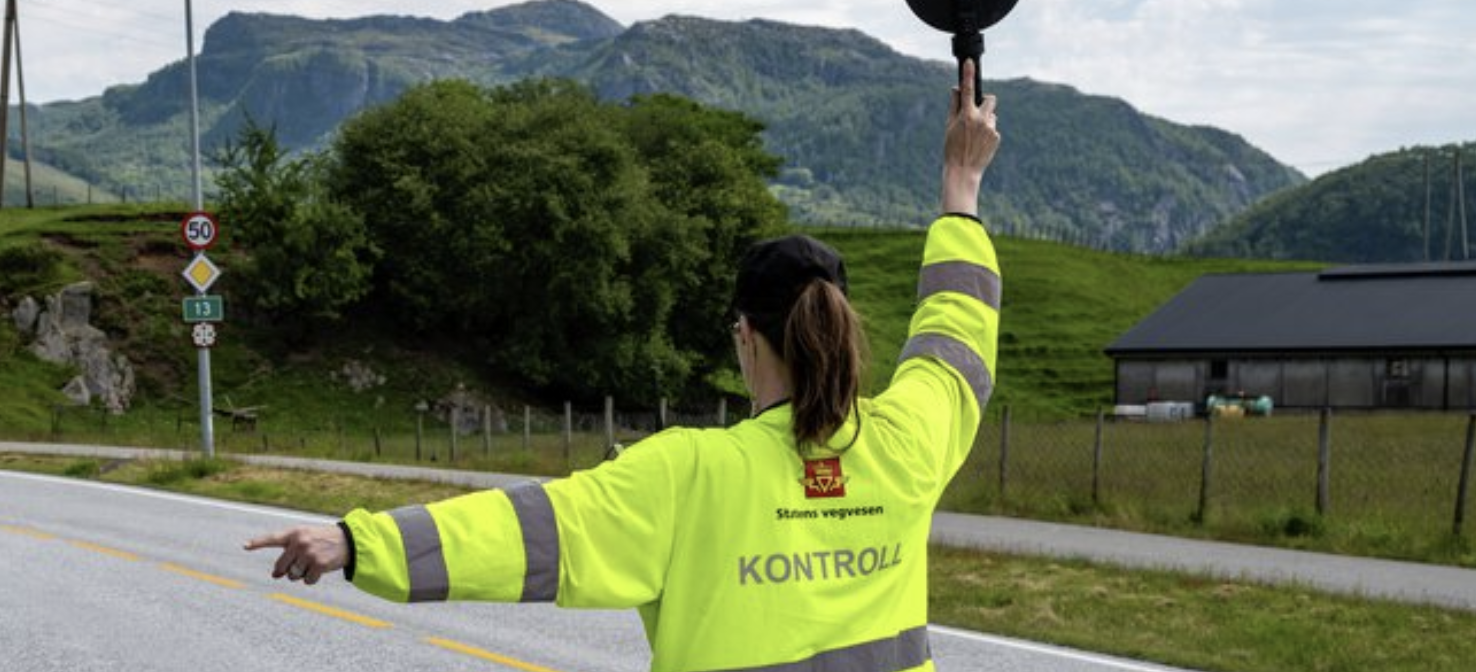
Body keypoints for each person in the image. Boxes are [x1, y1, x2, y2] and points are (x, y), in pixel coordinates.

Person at [246, 58, 1003, 672]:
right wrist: (960, 187)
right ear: (840, 329)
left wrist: (358, 543)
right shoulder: (906, 444)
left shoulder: (689, 472)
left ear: (743, 334)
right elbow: (956, 335)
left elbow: (532, 533)